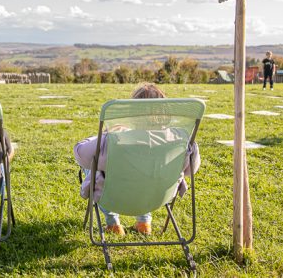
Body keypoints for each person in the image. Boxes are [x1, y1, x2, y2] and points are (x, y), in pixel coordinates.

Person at [73, 83, 200, 236]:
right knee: (148, 175)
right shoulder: (181, 140)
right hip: (157, 197)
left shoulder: (116, 140)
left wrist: (105, 135)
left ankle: (113, 224)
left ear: (132, 112)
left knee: (92, 167)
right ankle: (144, 223)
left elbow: (81, 154)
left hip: (114, 198)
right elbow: (192, 169)